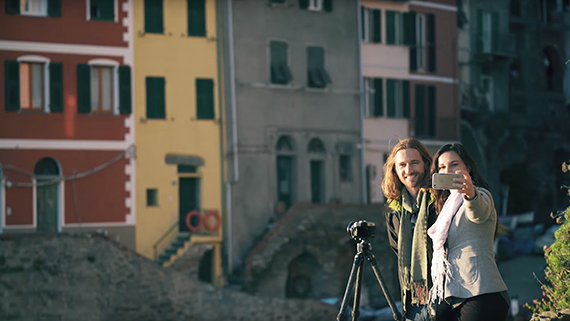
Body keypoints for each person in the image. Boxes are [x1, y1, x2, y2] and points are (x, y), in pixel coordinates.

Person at [428, 143, 509, 321]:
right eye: (442, 167)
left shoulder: (480, 195)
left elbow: (478, 214)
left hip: (482, 293)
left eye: (454, 164)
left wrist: (470, 194)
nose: (447, 170)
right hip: (456, 297)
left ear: (468, 167)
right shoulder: (447, 207)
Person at [381, 138, 437, 321]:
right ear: (395, 171)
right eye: (402, 165)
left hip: (446, 294)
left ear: (425, 164)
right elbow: (397, 249)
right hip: (415, 299)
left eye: (414, 163)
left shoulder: (439, 199)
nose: (408, 170)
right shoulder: (392, 209)